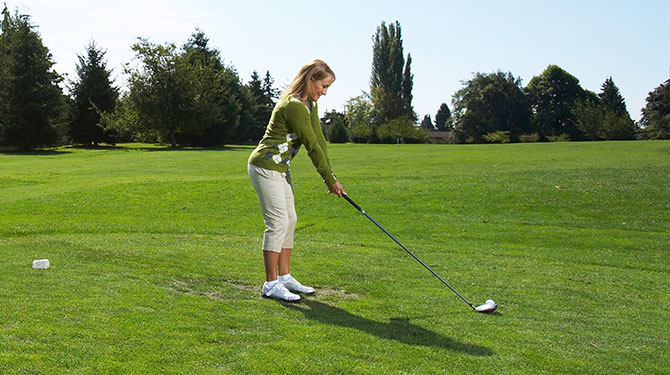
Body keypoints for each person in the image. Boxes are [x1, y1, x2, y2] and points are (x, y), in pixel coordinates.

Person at [248, 59, 345, 302]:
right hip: (264, 166)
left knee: (290, 220)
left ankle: (284, 277)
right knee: (278, 222)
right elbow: (310, 145)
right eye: (323, 86)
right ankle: (270, 284)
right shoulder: (293, 105)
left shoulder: (308, 105)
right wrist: (327, 180)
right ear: (311, 79)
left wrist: (331, 177)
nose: (324, 92)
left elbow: (319, 140)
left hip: (280, 169)